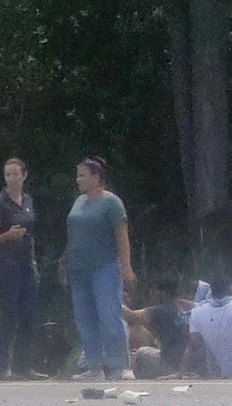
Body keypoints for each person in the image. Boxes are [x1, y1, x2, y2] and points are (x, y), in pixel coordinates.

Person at [61, 156, 134, 381]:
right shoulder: (79, 202)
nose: (78, 180)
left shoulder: (111, 202)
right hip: (79, 269)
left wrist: (126, 267)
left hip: (105, 268)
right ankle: (95, 366)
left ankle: (120, 364)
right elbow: (74, 235)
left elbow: (122, 236)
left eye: (82, 175)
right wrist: (65, 262)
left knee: (109, 313)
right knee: (85, 317)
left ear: (96, 177)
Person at [0, 156, 39, 378]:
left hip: (26, 263)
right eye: (8, 174)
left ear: (24, 175)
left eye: (16, 174)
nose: (12, 178)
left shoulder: (27, 200)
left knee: (27, 315)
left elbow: (32, 233)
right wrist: (8, 235)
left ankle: (22, 366)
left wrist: (34, 261)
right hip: (6, 265)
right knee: (8, 315)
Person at [183, 276, 232, 379]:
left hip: (229, 373)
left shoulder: (197, 313)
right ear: (231, 289)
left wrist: (181, 372)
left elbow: (192, 346)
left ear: (211, 292)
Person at [122, 276, 188, 378]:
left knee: (141, 352)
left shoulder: (161, 311)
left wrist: (114, 301)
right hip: (182, 361)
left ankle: (142, 380)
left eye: (154, 291)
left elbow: (131, 317)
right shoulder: (179, 308)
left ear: (164, 293)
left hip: (170, 364)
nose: (152, 294)